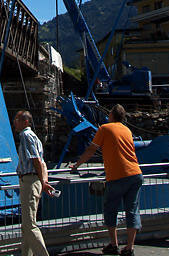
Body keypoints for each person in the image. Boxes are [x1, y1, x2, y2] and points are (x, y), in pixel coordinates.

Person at [72, 104, 143, 256]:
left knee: (111, 209)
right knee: (132, 210)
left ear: (111, 115)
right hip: (135, 173)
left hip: (117, 175)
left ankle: (113, 243)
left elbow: (91, 149)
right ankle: (130, 247)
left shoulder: (104, 128)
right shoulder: (127, 130)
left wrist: (77, 165)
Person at [14, 109, 56, 256]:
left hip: (29, 181)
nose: (14, 123)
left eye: (17, 120)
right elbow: (42, 162)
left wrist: (41, 181)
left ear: (25, 122)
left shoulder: (25, 135)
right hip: (35, 181)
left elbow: (36, 160)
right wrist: (44, 181)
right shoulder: (35, 137)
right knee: (26, 225)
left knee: (30, 225)